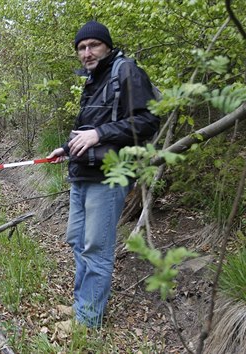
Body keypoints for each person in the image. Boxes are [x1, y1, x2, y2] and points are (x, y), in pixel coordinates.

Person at [47, 20, 160, 328]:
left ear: (107, 46)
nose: (87, 52)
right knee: (77, 240)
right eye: (81, 48)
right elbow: (87, 129)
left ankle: (87, 320)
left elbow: (149, 120)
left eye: (93, 45)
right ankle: (82, 305)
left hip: (109, 178)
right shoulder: (94, 80)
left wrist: (99, 134)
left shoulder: (125, 71)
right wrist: (66, 148)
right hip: (83, 174)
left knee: (96, 246)